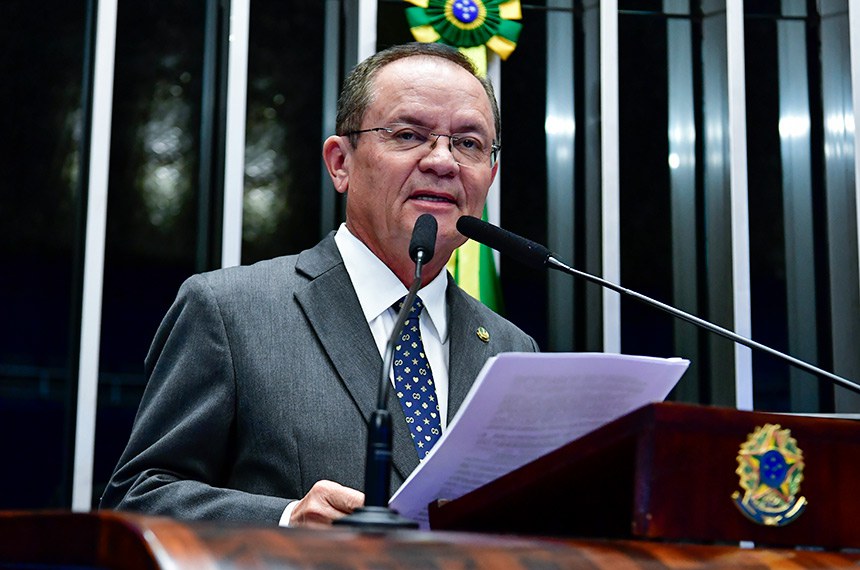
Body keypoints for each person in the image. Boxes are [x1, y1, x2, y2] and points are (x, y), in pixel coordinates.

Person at [100, 42, 538, 527]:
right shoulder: (230, 312)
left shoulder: (512, 349)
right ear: (340, 162)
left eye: (469, 143)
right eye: (409, 134)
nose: (442, 161)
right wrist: (286, 521)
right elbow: (135, 501)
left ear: (490, 175)